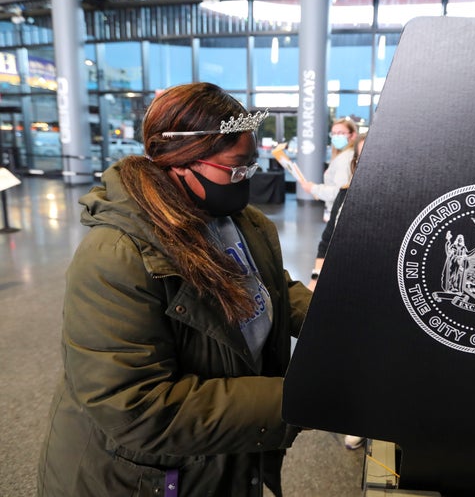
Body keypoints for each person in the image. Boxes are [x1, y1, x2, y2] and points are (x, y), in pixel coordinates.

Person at [37, 82, 312, 497]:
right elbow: (137, 406)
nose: (245, 180)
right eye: (236, 168)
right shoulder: (116, 255)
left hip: (220, 455)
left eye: (251, 166)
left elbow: (271, 288)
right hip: (142, 479)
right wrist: (302, 398)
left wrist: (340, 322)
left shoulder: (242, 223)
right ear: (179, 162)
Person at [307, 133, 366, 451]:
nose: (362, 165)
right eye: (358, 159)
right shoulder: (346, 194)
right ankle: (355, 416)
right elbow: (327, 237)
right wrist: (316, 278)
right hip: (347, 281)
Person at [300, 117, 358, 221]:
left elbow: (339, 192)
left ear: (353, 135)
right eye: (334, 133)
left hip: (339, 214)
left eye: (340, 133)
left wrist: (313, 188)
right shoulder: (345, 155)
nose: (336, 137)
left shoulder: (345, 158)